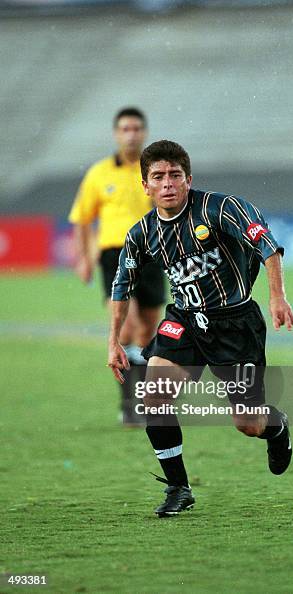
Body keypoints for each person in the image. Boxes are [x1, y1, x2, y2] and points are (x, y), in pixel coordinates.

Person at [108, 140, 293, 517]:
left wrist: (277, 297)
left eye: (174, 175)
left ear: (188, 179)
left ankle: (275, 427)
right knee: (153, 398)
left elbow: (268, 246)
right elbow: (121, 285)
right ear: (145, 185)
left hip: (235, 325)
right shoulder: (142, 233)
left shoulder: (222, 208)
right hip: (185, 322)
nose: (167, 184)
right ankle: (179, 488)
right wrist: (113, 341)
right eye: (157, 177)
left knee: (247, 423)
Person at [69, 108, 165, 426]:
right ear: (116, 134)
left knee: (148, 332)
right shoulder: (99, 173)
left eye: (137, 128)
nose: (131, 134)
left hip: (152, 253)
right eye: (125, 129)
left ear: (145, 133)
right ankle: (130, 404)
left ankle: (142, 400)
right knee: (127, 326)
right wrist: (84, 257)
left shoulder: (154, 171)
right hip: (115, 254)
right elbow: (82, 219)